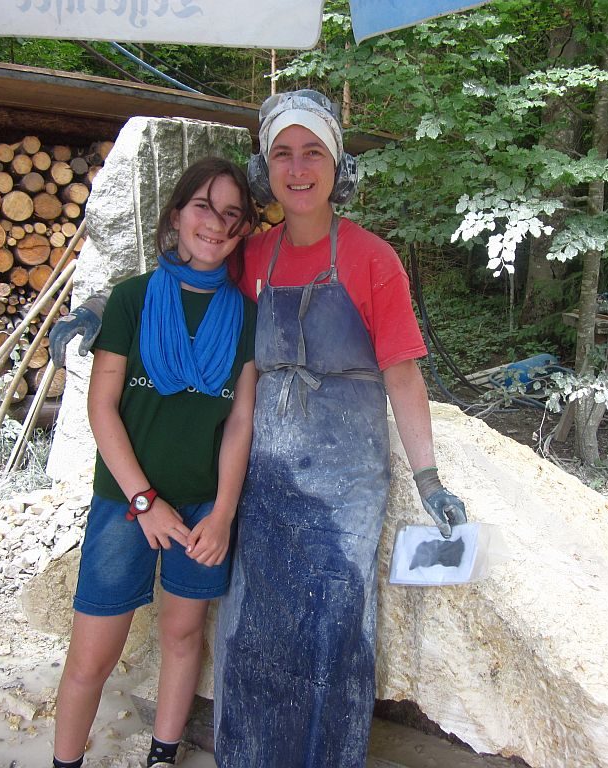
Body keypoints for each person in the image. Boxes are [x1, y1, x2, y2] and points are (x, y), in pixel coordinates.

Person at [49, 90, 466, 767]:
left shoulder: (372, 259)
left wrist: (429, 477)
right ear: (265, 168)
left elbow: (403, 377)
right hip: (262, 489)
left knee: (333, 639)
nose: (297, 169)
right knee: (253, 635)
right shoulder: (254, 255)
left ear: (336, 164)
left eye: (312, 153)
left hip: (344, 495)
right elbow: (180, 276)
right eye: (282, 154)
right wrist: (98, 309)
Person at [50, 157, 258, 768]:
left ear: (243, 229)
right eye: (203, 207)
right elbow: (102, 406)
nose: (215, 224)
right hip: (125, 504)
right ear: (176, 214)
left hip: (200, 508)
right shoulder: (132, 299)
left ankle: (161, 757)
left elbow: (240, 421)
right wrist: (144, 500)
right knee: (92, 654)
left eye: (231, 215)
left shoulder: (245, 315)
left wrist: (222, 513)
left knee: (183, 636)